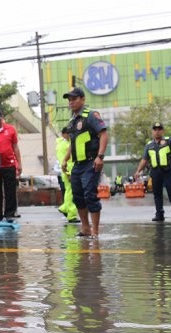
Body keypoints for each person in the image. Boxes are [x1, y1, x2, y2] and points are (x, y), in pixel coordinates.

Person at [60, 87, 108, 238]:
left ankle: (95, 230)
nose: (71, 102)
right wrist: (65, 159)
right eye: (69, 100)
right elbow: (73, 143)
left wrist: (100, 156)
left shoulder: (91, 115)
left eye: (74, 99)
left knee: (89, 195)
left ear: (82, 99)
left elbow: (104, 134)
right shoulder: (72, 121)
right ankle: (85, 228)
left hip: (91, 162)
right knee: (77, 196)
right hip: (77, 165)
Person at [133, 122, 171, 222]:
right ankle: (159, 214)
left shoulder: (168, 141)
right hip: (155, 172)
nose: (157, 131)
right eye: (155, 129)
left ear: (162, 131)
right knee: (157, 194)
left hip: (167, 171)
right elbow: (144, 159)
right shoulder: (149, 145)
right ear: (152, 132)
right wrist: (138, 171)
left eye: (159, 129)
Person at [0, 108, 22, 223]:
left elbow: (15, 147)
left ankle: (9, 214)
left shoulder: (11, 130)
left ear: (2, 118)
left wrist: (19, 163)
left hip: (9, 164)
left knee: (10, 190)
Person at [55, 127, 79, 223]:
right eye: (69, 134)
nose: (70, 136)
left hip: (69, 171)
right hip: (68, 171)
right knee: (71, 193)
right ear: (64, 134)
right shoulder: (62, 145)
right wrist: (68, 173)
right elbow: (63, 161)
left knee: (70, 192)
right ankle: (71, 214)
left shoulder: (66, 144)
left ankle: (65, 208)